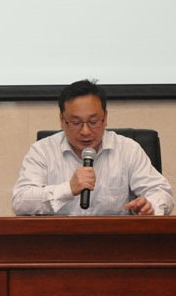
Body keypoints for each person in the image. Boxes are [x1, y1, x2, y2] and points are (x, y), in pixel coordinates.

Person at [12, 79, 173, 216]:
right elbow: (20, 200)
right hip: (58, 240)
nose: (85, 131)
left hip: (115, 240)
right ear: (62, 120)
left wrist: (150, 206)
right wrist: (68, 189)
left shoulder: (128, 150)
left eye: (93, 122)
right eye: (76, 123)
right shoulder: (42, 151)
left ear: (105, 118)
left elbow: (161, 192)